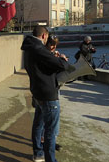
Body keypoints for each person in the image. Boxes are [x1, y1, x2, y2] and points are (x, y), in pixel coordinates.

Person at [21, 26, 74, 162]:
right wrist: (62, 58)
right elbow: (62, 66)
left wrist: (51, 56)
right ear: (44, 36)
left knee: (38, 125)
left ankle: (38, 153)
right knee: (50, 132)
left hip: (38, 93)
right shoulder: (38, 48)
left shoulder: (29, 47)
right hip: (48, 95)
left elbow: (41, 66)